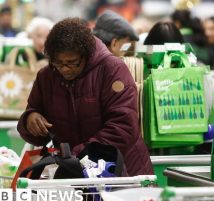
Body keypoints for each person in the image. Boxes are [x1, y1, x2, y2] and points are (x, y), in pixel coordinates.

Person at [17, 17, 153, 176]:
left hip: (120, 172)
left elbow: (123, 127)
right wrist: (30, 119)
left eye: (72, 62)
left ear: (86, 55)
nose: (64, 69)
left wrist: (75, 154)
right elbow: (34, 117)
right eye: (58, 62)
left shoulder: (112, 70)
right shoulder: (46, 77)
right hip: (75, 173)